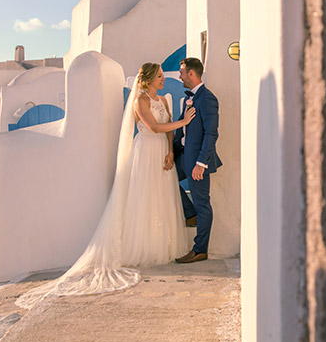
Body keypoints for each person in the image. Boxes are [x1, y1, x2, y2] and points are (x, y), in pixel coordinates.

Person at [16, 63, 196, 308]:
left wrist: (168, 151)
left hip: (161, 154)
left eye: (164, 77)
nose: (164, 80)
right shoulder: (140, 102)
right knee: (145, 197)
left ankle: (162, 243)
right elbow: (153, 127)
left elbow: (167, 132)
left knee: (164, 197)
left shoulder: (164, 101)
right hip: (145, 151)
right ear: (150, 79)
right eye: (160, 77)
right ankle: (145, 246)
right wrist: (183, 122)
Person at [173, 57, 222, 264]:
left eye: (182, 72)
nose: (180, 76)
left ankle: (200, 249)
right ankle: (189, 212)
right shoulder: (188, 98)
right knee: (163, 179)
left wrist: (201, 163)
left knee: (203, 204)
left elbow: (211, 134)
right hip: (183, 156)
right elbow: (182, 130)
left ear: (191, 73)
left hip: (197, 162)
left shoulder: (207, 98)